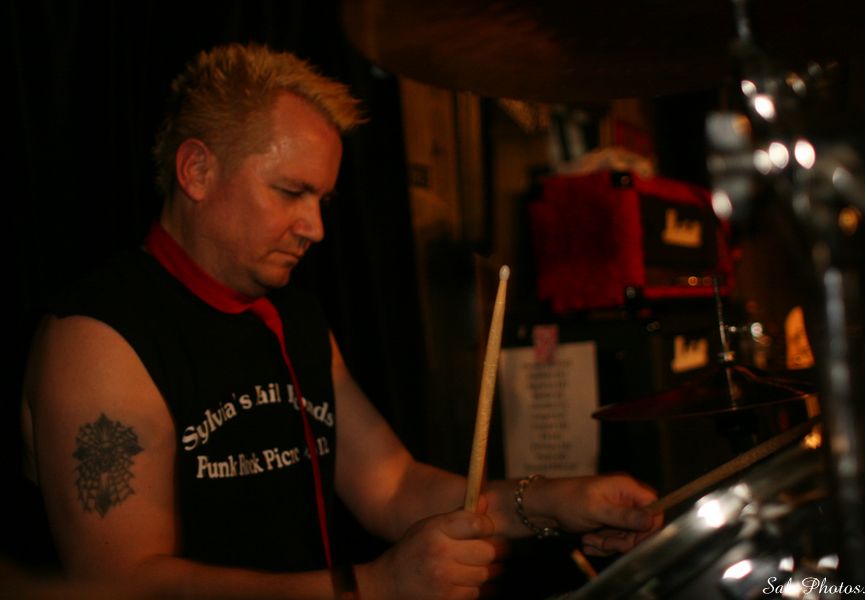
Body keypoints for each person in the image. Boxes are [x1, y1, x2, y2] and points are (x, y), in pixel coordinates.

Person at [21, 43, 662, 599]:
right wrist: (373, 587)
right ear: (197, 170)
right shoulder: (98, 337)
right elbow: (123, 584)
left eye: (323, 199)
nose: (316, 228)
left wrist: (557, 502)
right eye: (290, 192)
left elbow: (394, 487)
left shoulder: (292, 313)